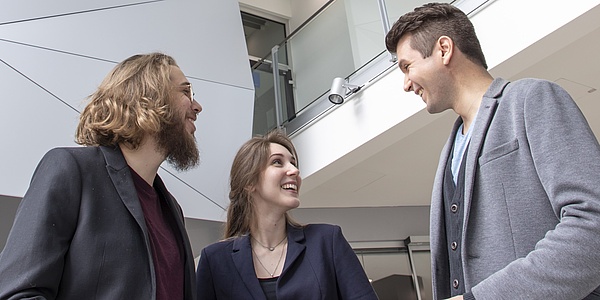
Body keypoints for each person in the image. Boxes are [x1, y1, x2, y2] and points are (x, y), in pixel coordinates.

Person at [384, 3, 600, 300]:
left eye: (407, 66)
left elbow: (593, 224)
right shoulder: (449, 150)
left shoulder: (530, 100)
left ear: (444, 49)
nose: (406, 84)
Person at [0, 52, 202, 299]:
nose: (197, 106)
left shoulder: (172, 210)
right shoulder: (71, 170)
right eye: (186, 92)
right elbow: (18, 293)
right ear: (148, 98)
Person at [195, 130, 378, 299]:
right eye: (277, 162)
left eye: (293, 163)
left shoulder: (327, 241)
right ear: (249, 183)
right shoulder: (215, 261)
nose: (295, 171)